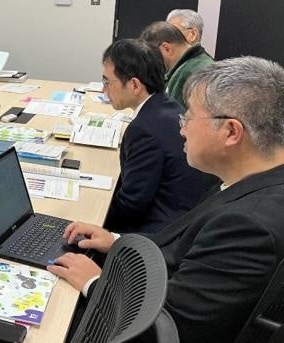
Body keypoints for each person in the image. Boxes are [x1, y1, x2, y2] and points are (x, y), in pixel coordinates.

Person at [49, 56, 284, 343]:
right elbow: (181, 248)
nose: (181, 128)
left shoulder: (248, 226)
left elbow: (167, 330)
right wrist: (117, 242)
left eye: (189, 117)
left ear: (231, 132)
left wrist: (96, 283)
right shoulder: (253, 181)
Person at [100, 39, 209, 233]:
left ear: (134, 85)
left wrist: (95, 218)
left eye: (107, 82)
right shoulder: (167, 106)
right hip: (184, 215)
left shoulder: (144, 129)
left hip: (158, 231)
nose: (104, 90)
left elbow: (131, 204)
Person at [139, 21, 214, 106]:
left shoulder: (193, 73)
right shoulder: (189, 67)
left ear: (167, 48)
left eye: (152, 55)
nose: (153, 61)